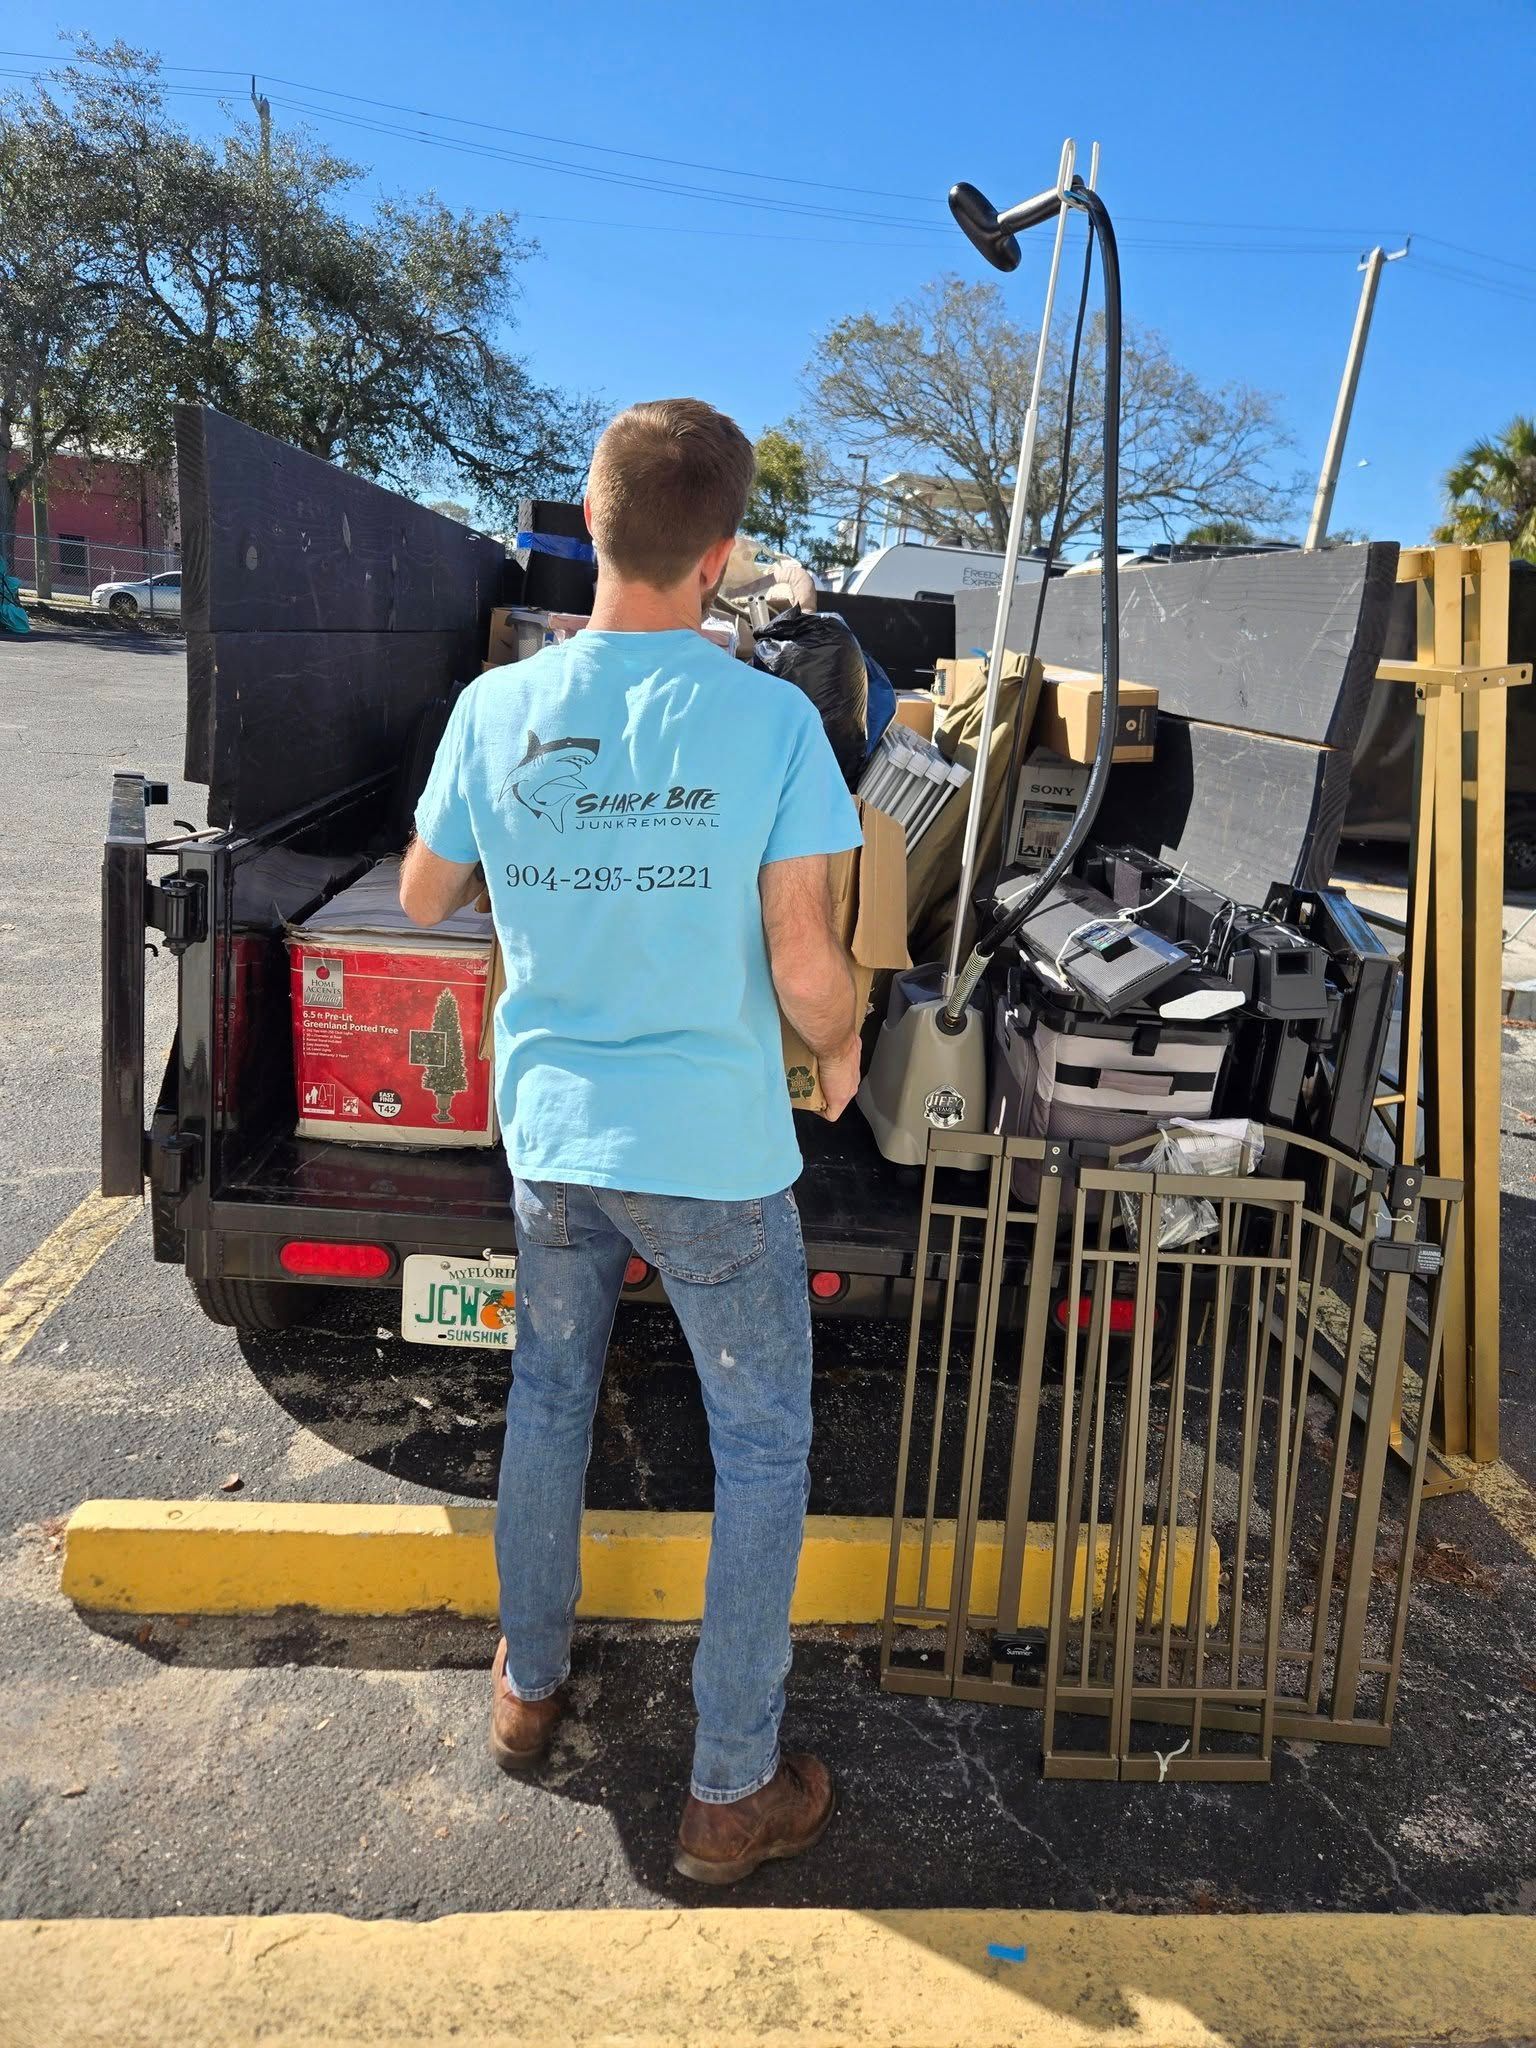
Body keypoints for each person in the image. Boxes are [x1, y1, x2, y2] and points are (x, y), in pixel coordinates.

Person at [400, 398, 863, 1885]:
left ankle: (528, 1691)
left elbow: (420, 897)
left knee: (548, 1399)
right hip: (713, 1158)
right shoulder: (774, 720)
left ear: (589, 531)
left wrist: (552, 882)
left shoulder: (496, 710)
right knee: (765, 1447)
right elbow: (805, 970)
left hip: (553, 1135)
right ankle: (731, 1786)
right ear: (722, 557)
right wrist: (847, 1041)